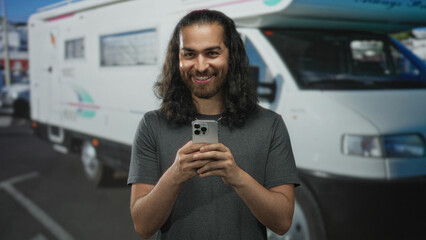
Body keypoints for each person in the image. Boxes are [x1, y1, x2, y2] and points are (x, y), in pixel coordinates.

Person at [128, 9, 299, 240]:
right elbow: (143, 226)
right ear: (177, 58)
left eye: (212, 53)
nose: (200, 66)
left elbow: (282, 223)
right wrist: (175, 174)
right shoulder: (152, 125)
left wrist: (236, 176)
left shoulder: (269, 125)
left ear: (232, 55)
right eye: (189, 54)